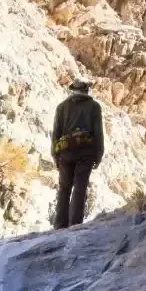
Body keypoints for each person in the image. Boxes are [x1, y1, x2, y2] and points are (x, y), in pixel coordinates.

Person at [51, 78, 104, 229]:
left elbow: (55, 134)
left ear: (72, 90)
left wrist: (55, 156)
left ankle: (60, 225)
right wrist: (98, 155)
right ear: (87, 90)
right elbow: (98, 133)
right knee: (80, 188)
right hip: (86, 153)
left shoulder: (61, 107)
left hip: (65, 153)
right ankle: (75, 224)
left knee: (64, 188)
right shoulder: (94, 107)